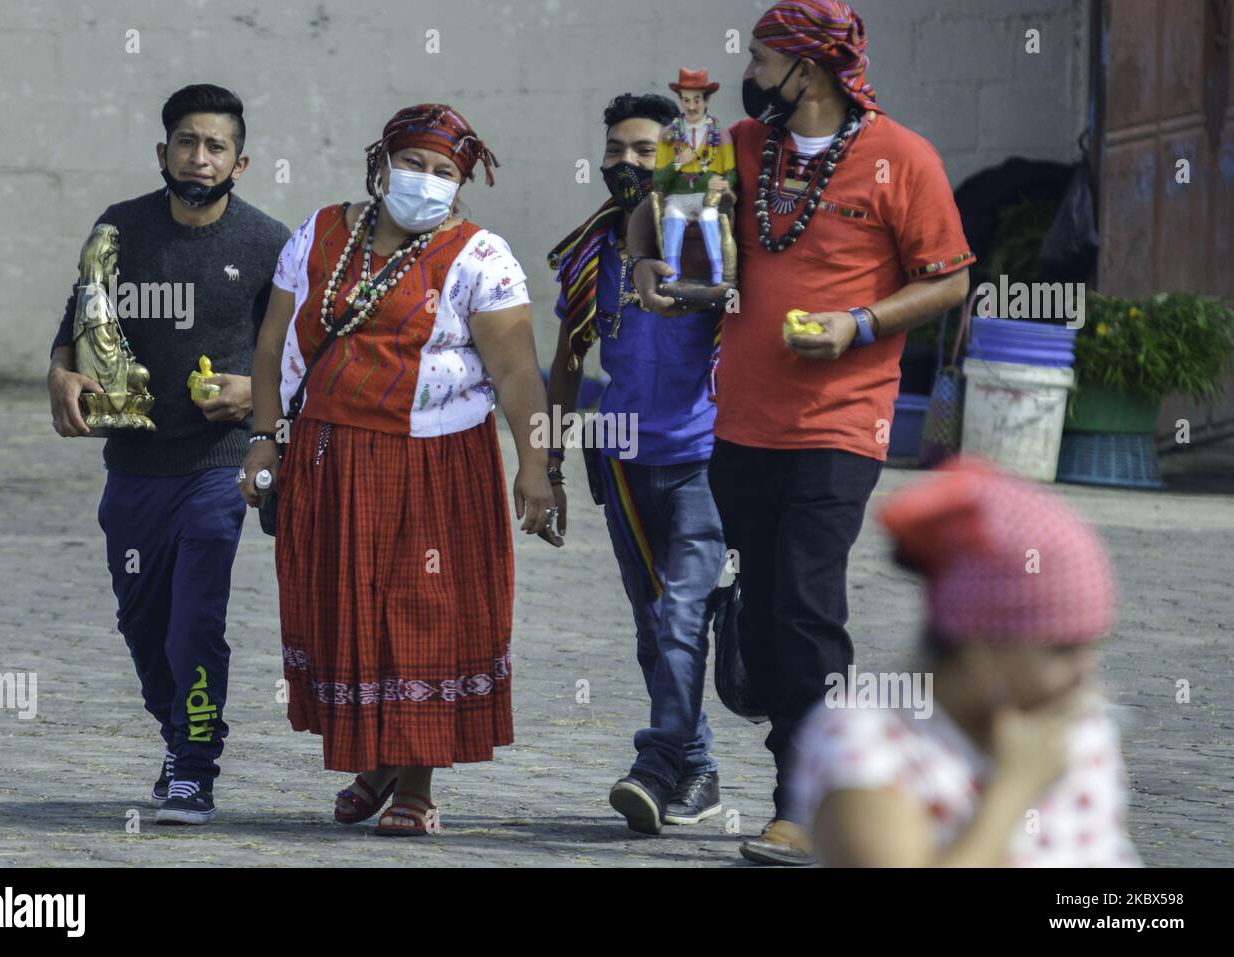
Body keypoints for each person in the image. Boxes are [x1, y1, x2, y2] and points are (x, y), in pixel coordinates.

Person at [632, 0, 975, 864]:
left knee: (806, 607)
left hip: (841, 424)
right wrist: (648, 265)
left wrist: (857, 325)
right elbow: (653, 209)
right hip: (739, 424)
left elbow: (949, 281)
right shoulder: (742, 147)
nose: (746, 73)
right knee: (761, 610)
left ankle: (804, 801)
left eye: (759, 58)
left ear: (808, 71)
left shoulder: (904, 157)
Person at [241, 104, 557, 836]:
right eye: (414, 163)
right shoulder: (317, 235)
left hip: (438, 461)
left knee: (424, 612)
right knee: (347, 609)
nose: (427, 181)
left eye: (446, 172)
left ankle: (416, 784)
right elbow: (270, 347)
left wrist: (535, 466)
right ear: (381, 164)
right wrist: (264, 439)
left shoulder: (482, 256)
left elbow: (517, 375)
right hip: (329, 455)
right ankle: (378, 759)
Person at [47, 84, 290, 825]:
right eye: (187, 141)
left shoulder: (268, 243)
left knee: (196, 618)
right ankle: (180, 733)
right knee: (142, 622)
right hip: (135, 465)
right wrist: (59, 372)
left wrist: (252, 392)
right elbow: (76, 321)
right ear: (164, 152)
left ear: (240, 162)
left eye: (216, 146)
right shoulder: (119, 230)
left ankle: (193, 765)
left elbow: (292, 354)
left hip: (219, 463)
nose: (200, 157)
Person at [792, 455, 1142, 867]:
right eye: (1061, 649)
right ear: (979, 648)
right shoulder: (869, 741)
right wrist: (1013, 790)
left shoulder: (1077, 729)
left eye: (1093, 645)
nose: (1087, 671)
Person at [546, 93, 726, 834]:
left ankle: (657, 763)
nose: (626, 163)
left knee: (683, 615)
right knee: (655, 629)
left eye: (645, 151)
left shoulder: (709, 239)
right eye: (616, 149)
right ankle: (699, 769)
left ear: (677, 157)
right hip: (620, 461)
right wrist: (547, 462)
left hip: (703, 461)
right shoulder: (594, 252)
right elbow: (566, 361)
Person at [653, 68, 737, 285]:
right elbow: (658, 180)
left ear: (706, 100)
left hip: (705, 197)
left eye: (697, 100)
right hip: (677, 198)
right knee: (671, 218)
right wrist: (679, 162)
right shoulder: (667, 134)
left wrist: (724, 183)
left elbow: (732, 172)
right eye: (686, 100)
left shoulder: (721, 134)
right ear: (680, 101)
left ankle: (718, 271)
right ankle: (672, 271)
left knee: (709, 218)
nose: (691, 106)